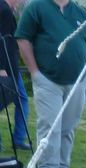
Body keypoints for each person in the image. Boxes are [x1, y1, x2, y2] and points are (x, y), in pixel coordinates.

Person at [16, 0, 86, 168]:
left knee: (68, 126)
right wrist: (34, 72)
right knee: (49, 125)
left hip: (77, 81)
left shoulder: (80, 13)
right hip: (47, 79)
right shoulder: (36, 8)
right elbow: (23, 38)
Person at [0, 0, 32, 151]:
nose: (20, 2)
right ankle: (18, 139)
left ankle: (18, 138)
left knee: (20, 99)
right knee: (19, 100)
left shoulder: (6, 10)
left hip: (10, 66)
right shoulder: (4, 11)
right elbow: (3, 41)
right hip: (7, 67)